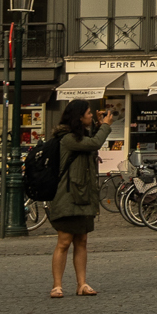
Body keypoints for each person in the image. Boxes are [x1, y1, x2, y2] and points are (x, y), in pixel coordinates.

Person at [45, 100, 114, 298]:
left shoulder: (81, 135)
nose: (91, 115)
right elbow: (93, 143)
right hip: (68, 196)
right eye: (88, 113)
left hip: (84, 195)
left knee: (82, 240)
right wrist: (106, 127)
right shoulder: (66, 138)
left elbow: (90, 141)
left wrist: (98, 126)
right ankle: (57, 285)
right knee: (64, 241)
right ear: (78, 116)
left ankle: (82, 284)